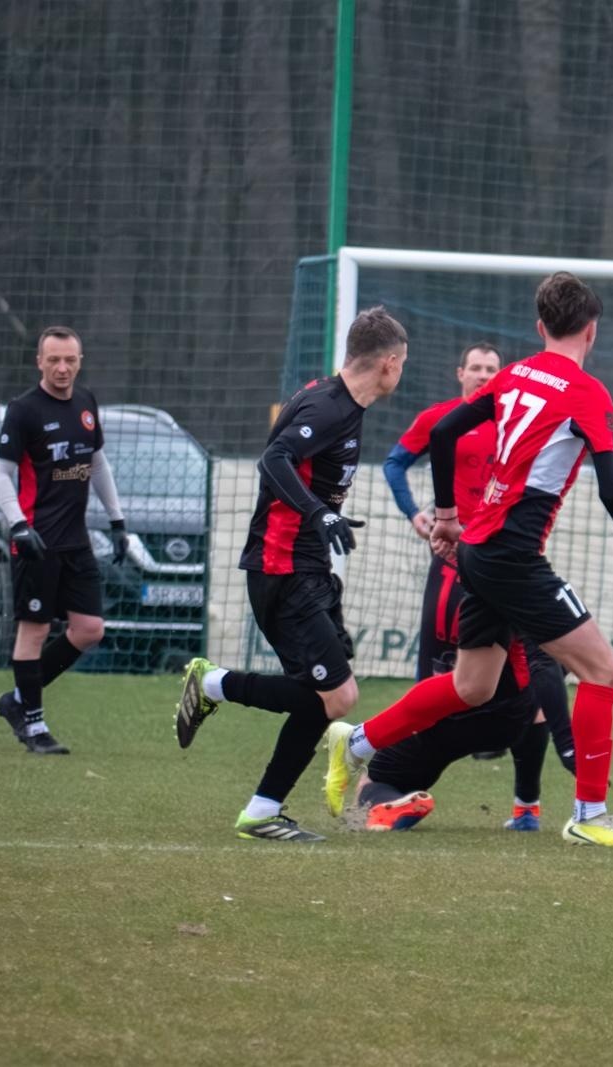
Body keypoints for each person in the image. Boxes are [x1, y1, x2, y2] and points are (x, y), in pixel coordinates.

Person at [324, 272, 613, 848]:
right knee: (604, 671)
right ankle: (588, 813)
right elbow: (612, 489)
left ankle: (356, 742)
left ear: (539, 328)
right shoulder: (587, 392)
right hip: (512, 556)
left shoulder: (514, 375)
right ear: (591, 330)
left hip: (477, 550)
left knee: (472, 686)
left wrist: (446, 516)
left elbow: (443, 434)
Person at [174, 307, 408, 842]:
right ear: (390, 363)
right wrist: (319, 512)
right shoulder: (328, 407)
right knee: (338, 697)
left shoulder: (340, 401)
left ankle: (261, 811)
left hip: (307, 569)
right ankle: (212, 683)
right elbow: (274, 459)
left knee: (321, 698)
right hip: (282, 568)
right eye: (403, 365)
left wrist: (322, 511)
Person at [382, 341, 574, 831]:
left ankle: (526, 805)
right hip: (451, 560)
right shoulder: (440, 419)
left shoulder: (518, 423)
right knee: (440, 671)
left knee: (532, 664)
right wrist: (416, 513)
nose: (485, 375)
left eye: (493, 368)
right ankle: (394, 787)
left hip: (506, 562)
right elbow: (394, 463)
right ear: (459, 373)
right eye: (477, 368)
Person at [0, 326, 129, 755]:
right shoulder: (24, 410)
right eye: (53, 360)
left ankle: (17, 700)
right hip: (35, 541)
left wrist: (118, 521)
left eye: (69, 359)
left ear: (80, 361)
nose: (62, 368)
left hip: (76, 541)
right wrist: (17, 525)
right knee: (35, 629)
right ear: (39, 362)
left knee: (89, 630)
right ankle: (33, 725)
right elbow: (0, 474)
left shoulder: (86, 404)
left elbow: (98, 464)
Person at [351, 640, 538, 832]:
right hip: (509, 718)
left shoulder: (458, 611)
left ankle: (387, 804)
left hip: (444, 714)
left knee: (375, 780)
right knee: (537, 691)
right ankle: (527, 809)